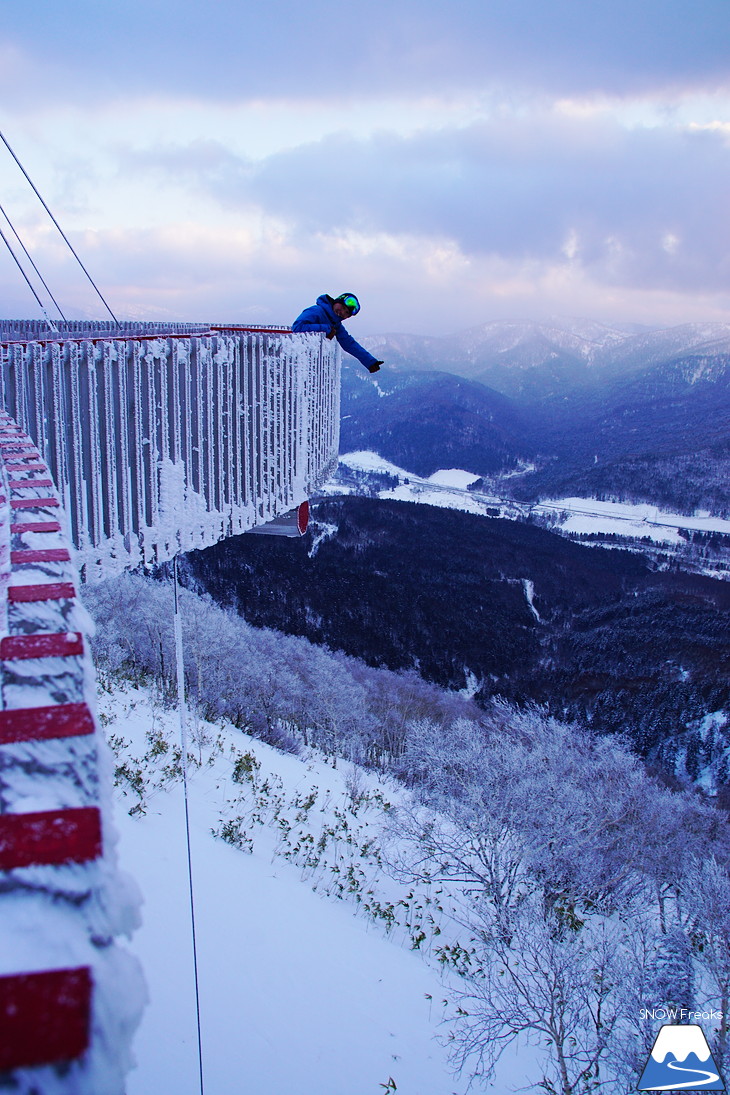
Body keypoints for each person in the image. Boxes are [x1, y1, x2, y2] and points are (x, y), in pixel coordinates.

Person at [292, 293, 384, 374]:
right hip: (296, 359)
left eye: (347, 313)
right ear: (337, 302)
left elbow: (349, 344)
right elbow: (297, 327)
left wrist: (370, 362)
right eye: (343, 307)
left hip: (310, 362)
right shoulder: (316, 311)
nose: (342, 312)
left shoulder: (336, 324)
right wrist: (326, 329)